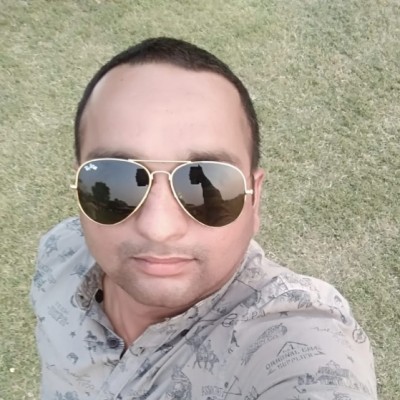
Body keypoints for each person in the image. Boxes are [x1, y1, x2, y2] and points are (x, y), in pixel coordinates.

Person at [31, 37, 377, 400]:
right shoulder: (59, 253)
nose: (159, 229)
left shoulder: (298, 337)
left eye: (207, 183)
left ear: (255, 199)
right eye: (114, 178)